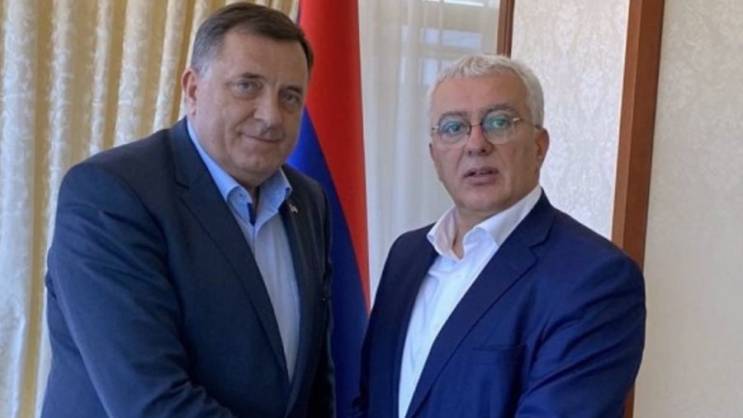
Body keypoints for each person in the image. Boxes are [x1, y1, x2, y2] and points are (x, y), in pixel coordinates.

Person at [42, 3, 334, 417]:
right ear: (193, 89)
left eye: (290, 96)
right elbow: (152, 402)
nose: (271, 115)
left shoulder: (308, 200)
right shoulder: (110, 194)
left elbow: (315, 382)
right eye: (247, 86)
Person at [354, 54, 645, 418]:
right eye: (453, 127)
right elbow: (368, 400)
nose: (476, 144)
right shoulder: (407, 255)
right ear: (434, 156)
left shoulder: (596, 278)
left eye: (499, 122)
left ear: (539, 146)